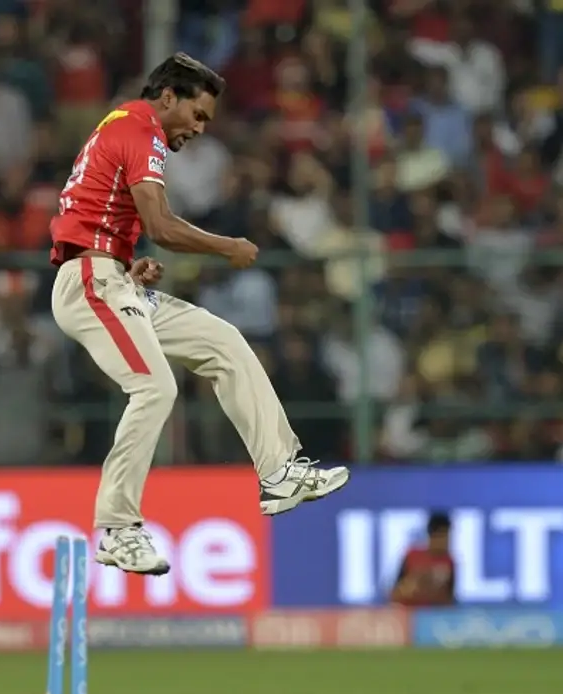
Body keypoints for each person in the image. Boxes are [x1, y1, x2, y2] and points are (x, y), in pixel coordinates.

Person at [48, 53, 349, 575]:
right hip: (90, 282)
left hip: (110, 275)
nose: (201, 128)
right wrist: (227, 246)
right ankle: (117, 528)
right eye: (198, 114)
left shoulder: (125, 128)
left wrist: (125, 260)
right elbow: (161, 226)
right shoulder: (139, 130)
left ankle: (279, 472)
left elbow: (101, 215)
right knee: (154, 388)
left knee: (224, 341)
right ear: (169, 97)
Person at [390, 512, 456, 607]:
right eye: (443, 536)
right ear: (432, 536)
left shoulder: (449, 562)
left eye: (448, 537)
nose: (447, 541)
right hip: (410, 614)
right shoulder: (412, 556)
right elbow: (395, 592)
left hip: (434, 616)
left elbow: (450, 598)